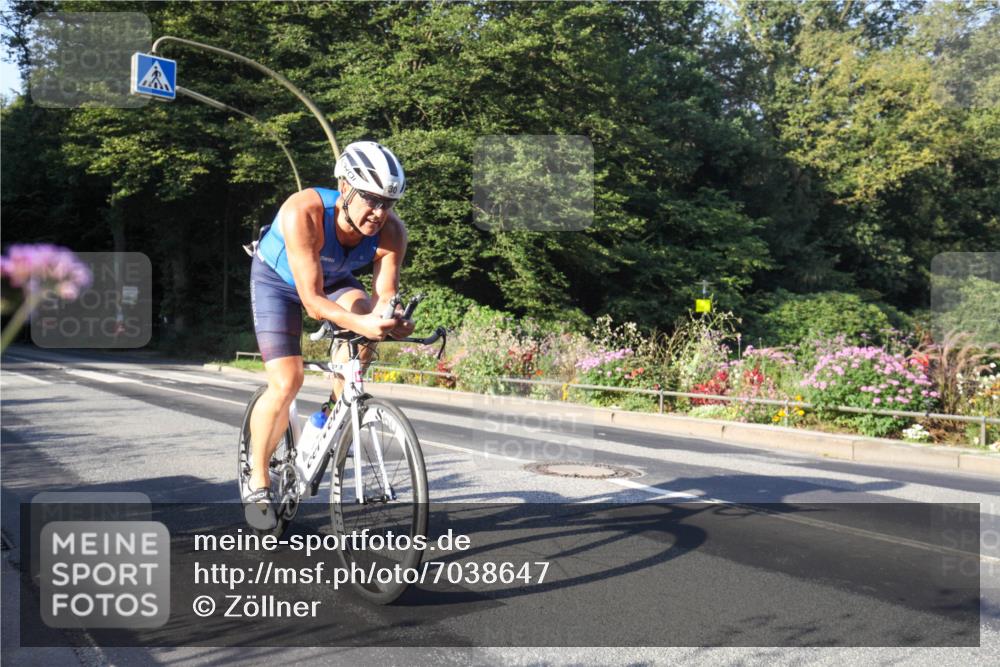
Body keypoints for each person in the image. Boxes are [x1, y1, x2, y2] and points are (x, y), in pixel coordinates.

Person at [245, 141, 414, 530]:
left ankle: (328, 415)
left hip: (335, 281)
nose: (379, 212)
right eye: (370, 199)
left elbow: (383, 298)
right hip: (278, 283)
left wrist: (392, 319)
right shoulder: (303, 210)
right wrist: (367, 322)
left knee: (370, 325)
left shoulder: (391, 232)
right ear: (345, 188)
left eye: (388, 202)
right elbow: (313, 300)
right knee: (288, 381)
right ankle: (257, 479)